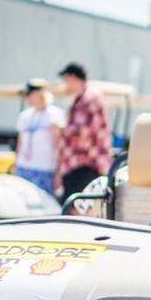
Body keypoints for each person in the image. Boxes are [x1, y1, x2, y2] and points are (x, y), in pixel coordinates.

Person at [55, 62, 113, 201]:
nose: (65, 84)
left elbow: (86, 130)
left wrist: (63, 130)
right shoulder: (82, 98)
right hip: (79, 164)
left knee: (76, 210)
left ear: (72, 78)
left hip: (86, 163)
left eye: (66, 80)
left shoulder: (90, 98)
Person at [14, 79, 65, 194]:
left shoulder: (54, 115)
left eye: (30, 95)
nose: (27, 98)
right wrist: (16, 164)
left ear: (40, 94)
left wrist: (59, 173)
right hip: (24, 167)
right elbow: (20, 143)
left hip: (44, 169)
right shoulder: (24, 116)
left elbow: (59, 146)